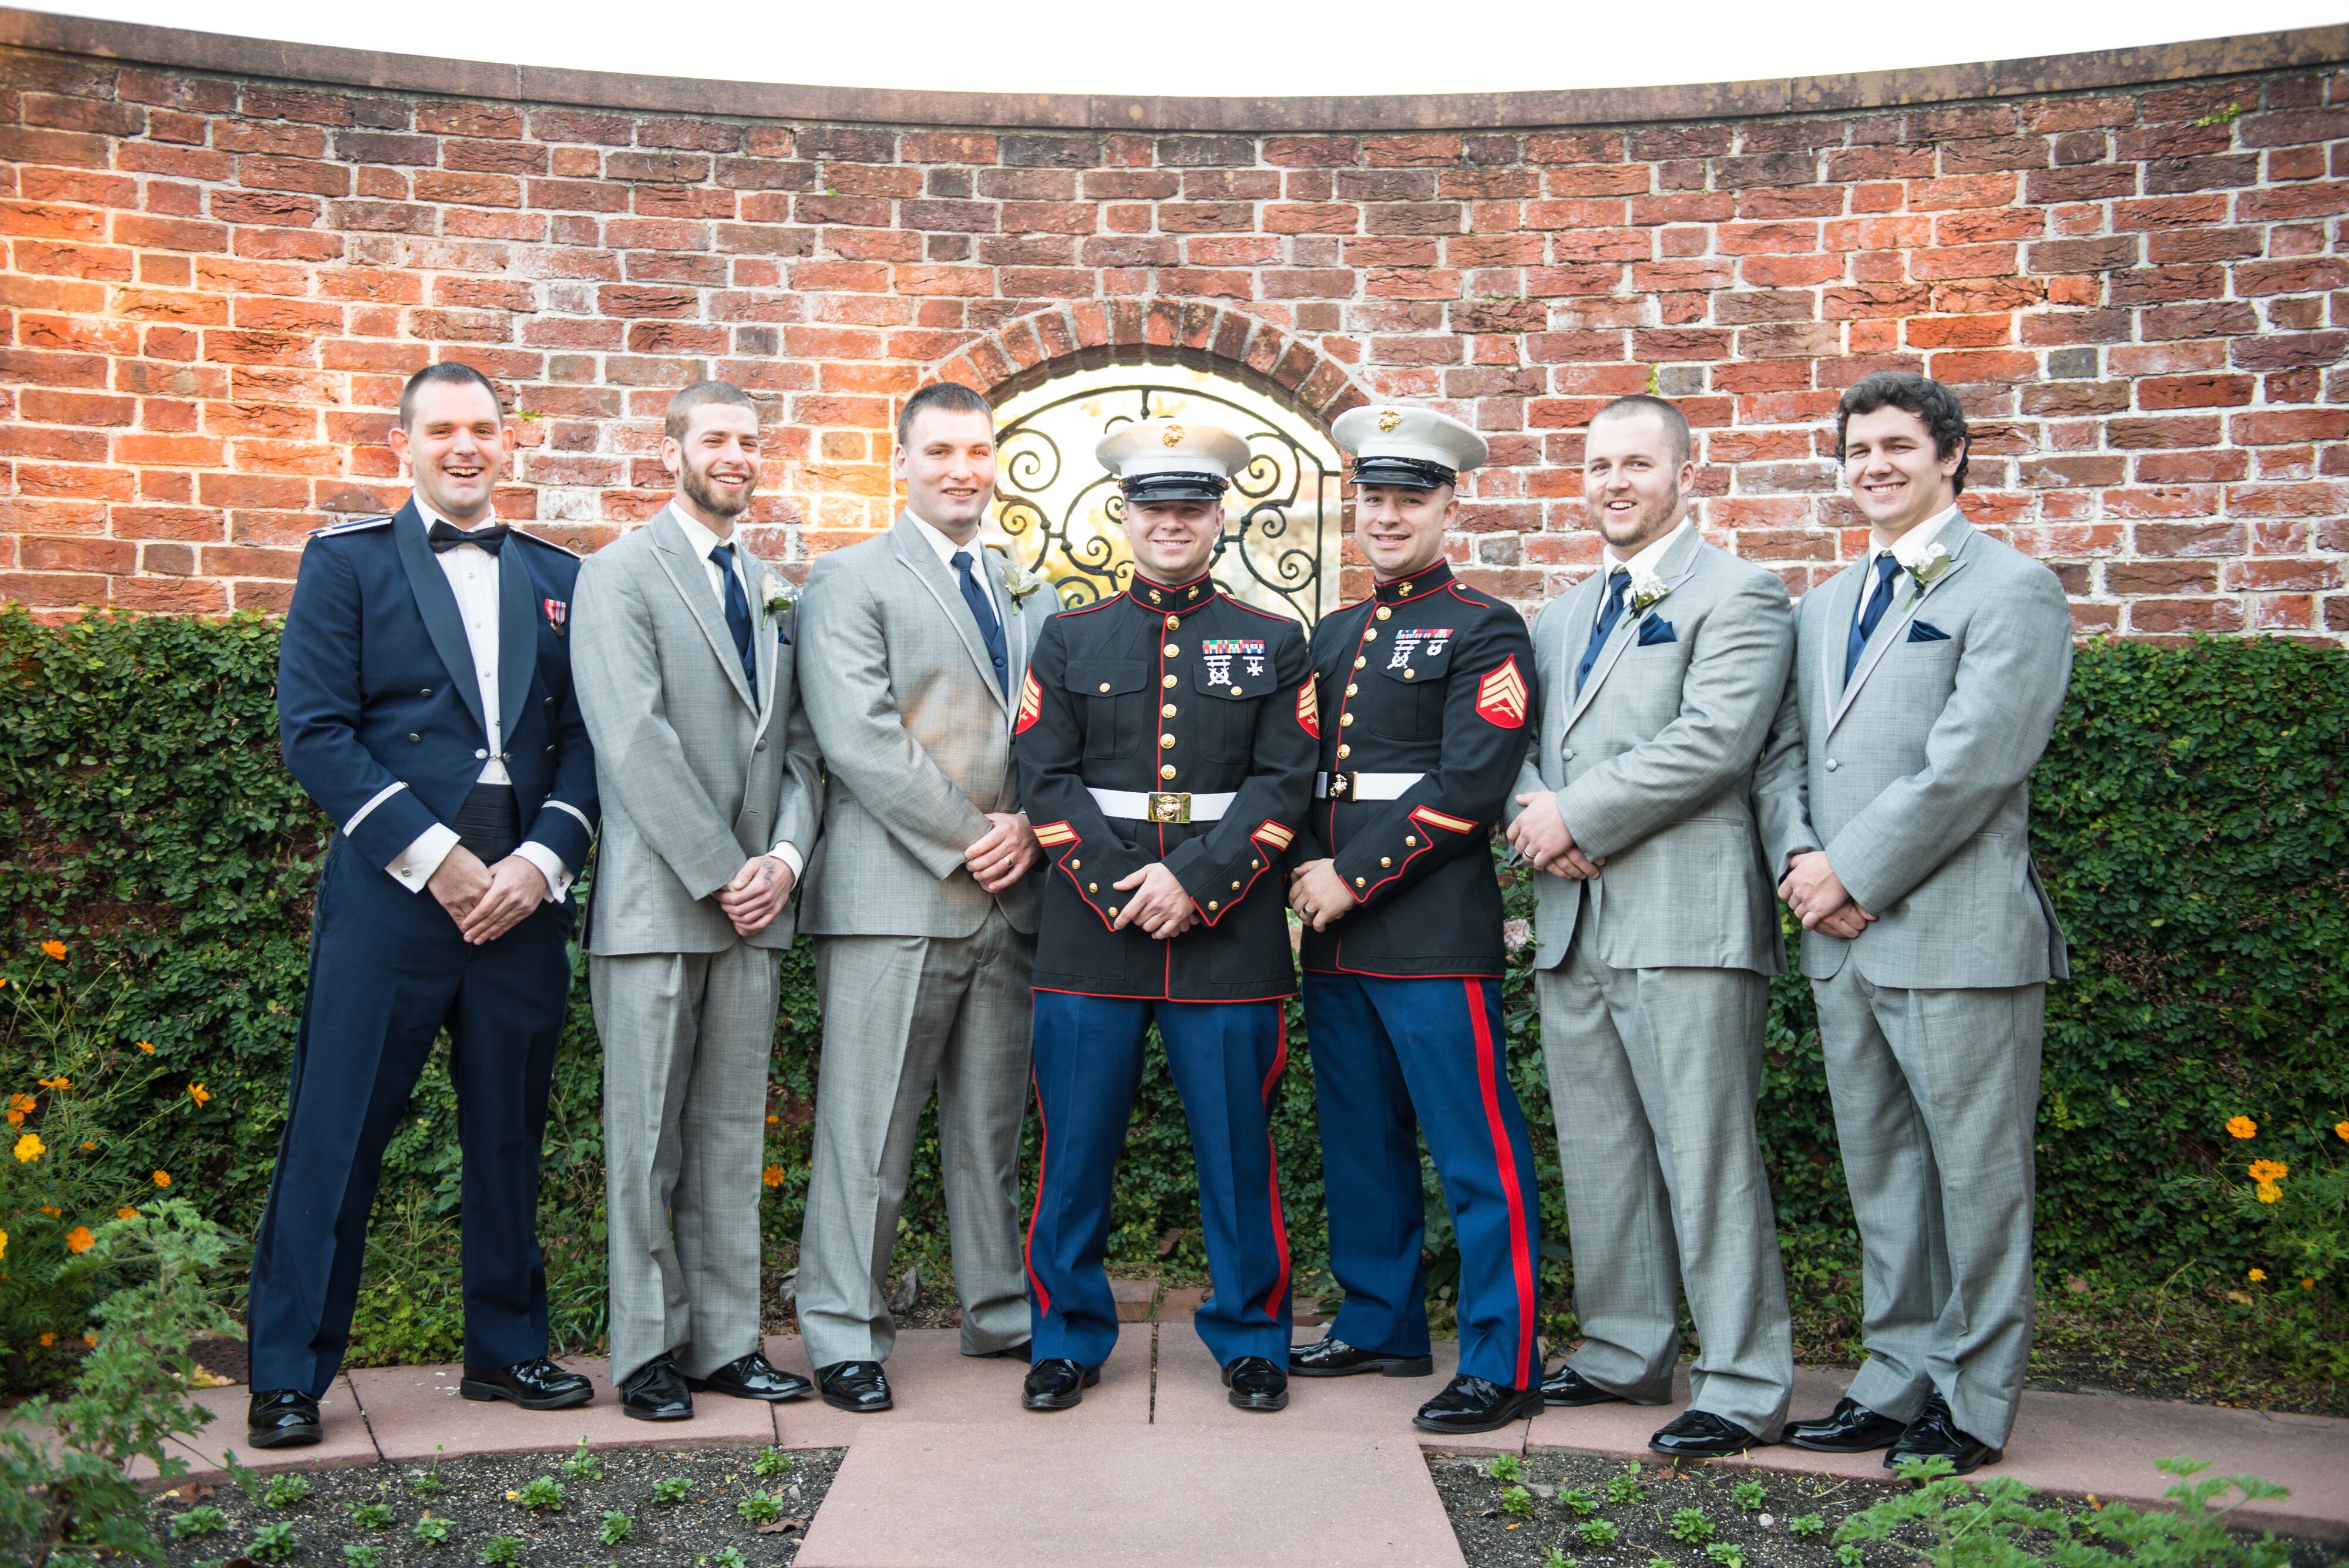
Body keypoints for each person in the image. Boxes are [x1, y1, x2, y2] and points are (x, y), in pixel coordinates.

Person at [251, 362, 599, 1446]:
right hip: (397, 891)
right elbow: (313, 728)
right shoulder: (345, 563)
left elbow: (590, 739)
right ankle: (290, 1372)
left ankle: (506, 1350)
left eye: (484, 429)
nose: (465, 446)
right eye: (442, 429)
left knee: (509, 1133)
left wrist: (541, 862)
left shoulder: (560, 576)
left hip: (520, 895)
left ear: (510, 446)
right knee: (338, 1129)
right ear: (401, 443)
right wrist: (437, 856)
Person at [1755, 371, 2072, 1475]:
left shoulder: (2014, 588)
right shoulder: (1830, 599)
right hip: (1842, 937)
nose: (1874, 465)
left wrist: (1852, 871)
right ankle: (1896, 1377)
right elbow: (1785, 748)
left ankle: (1975, 1401)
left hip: (1958, 935)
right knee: (1883, 1170)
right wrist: (1800, 858)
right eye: (1857, 450)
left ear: (1952, 455)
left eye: (1897, 445)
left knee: (1979, 1177)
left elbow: (1975, 762)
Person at [1505, 393, 1797, 1458]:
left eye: (1636, 463)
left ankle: (1743, 1378)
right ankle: (1627, 1348)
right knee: (1603, 1149)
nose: (1614, 483)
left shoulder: (1745, 594)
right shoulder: (1560, 613)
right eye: (1597, 466)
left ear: (1686, 472)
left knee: (1706, 1150)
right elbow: (1518, 748)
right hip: (1575, 919)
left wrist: (1575, 814)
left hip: (1687, 920)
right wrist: (1537, 819)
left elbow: (1716, 742)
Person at [1013, 416, 1316, 1415]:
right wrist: (1119, 884)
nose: (1172, 523)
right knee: (1075, 1148)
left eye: (1191, 507)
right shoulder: (1068, 635)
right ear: (1125, 515)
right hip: (1090, 934)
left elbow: (1286, 782)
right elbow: (1043, 776)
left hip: (1226, 935)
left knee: (1237, 1149)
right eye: (1155, 507)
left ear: (1219, 516)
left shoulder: (1274, 641)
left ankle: (1251, 1335)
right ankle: (1065, 1335)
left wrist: (1196, 880)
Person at [789, 382, 1054, 1415]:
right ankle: (846, 1330)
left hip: (1011, 896)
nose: (963, 469)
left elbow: (1057, 733)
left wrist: (1029, 827)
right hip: (896, 895)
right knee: (868, 1134)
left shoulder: (1028, 589)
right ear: (898, 459)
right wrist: (971, 835)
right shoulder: (848, 579)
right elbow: (857, 735)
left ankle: (999, 1310)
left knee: (992, 1133)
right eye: (940, 449)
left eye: (980, 451)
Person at [1283, 403, 1545, 1436]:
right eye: (1373, 499)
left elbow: (1473, 782)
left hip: (1432, 926)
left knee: (1474, 1148)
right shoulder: (1336, 632)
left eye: (1410, 498)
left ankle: (1504, 1353)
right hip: (1336, 932)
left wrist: (1351, 873)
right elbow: (1299, 772)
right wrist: (1306, 865)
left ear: (1447, 504)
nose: (1387, 517)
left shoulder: (1488, 627)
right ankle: (1382, 1319)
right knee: (1361, 1141)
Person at [569, 380, 824, 1421]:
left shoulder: (771, 587)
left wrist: (787, 862)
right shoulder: (617, 576)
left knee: (730, 1134)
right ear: (669, 447)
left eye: (749, 442)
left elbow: (804, 749)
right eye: (715, 438)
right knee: (645, 1141)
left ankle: (727, 1343)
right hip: (658, 908)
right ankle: (645, 1352)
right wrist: (727, 870)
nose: (735, 456)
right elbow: (633, 740)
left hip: (756, 908)